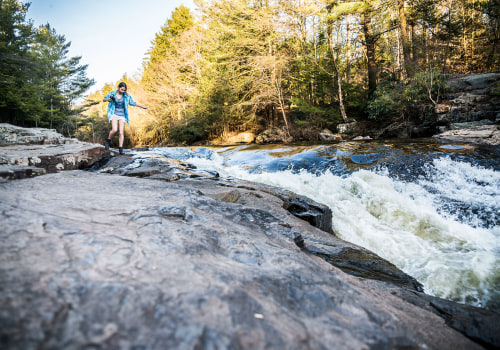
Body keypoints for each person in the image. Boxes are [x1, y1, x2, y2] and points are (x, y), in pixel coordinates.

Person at [103, 82, 147, 154]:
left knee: (121, 132)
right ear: (118, 88)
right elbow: (104, 99)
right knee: (114, 129)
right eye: (121, 89)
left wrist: (142, 106)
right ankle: (107, 141)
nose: (122, 91)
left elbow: (133, 103)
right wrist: (107, 99)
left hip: (122, 115)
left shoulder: (126, 96)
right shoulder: (112, 94)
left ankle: (121, 149)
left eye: (124, 90)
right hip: (113, 113)